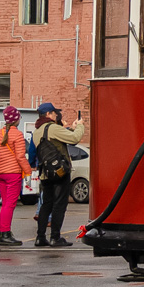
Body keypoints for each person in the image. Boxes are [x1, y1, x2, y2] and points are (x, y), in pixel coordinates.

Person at [31, 102, 85, 248]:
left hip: (45, 173)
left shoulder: (36, 132)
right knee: (59, 205)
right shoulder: (52, 128)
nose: (56, 115)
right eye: (54, 113)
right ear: (48, 114)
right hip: (60, 172)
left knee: (46, 205)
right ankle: (55, 237)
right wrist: (79, 126)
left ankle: (40, 237)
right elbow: (74, 139)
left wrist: (68, 128)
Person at [0, 107, 31, 246]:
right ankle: (5, 234)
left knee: (5, 204)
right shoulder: (18, 135)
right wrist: (28, 172)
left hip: (0, 173)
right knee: (10, 205)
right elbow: (20, 157)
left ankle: (4, 232)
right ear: (16, 119)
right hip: (13, 174)